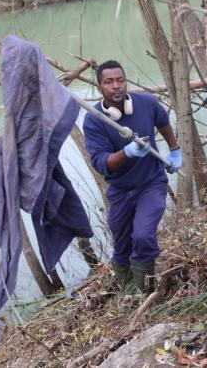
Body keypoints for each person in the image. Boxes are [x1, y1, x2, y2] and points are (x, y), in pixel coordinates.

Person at [83, 60, 182, 294]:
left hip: (151, 183)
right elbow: (101, 162)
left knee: (143, 236)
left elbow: (164, 122)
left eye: (120, 80)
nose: (116, 86)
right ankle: (127, 291)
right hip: (121, 190)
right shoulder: (94, 119)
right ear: (100, 88)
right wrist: (127, 153)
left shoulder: (146, 103)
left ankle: (145, 294)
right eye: (109, 82)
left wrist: (175, 150)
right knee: (121, 246)